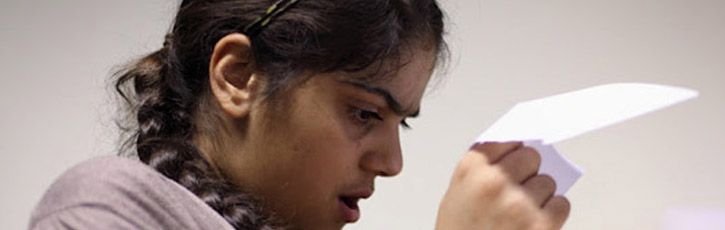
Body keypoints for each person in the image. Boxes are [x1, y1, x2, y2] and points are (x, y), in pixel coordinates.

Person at [29, 0, 570, 229]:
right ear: (237, 76)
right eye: (364, 113)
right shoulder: (106, 206)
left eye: (399, 122)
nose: (391, 162)